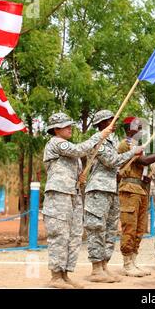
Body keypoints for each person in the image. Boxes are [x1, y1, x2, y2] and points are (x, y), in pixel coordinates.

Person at [42, 112, 111, 289]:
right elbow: (78, 150)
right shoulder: (56, 142)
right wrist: (99, 136)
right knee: (59, 235)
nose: (69, 128)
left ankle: (64, 275)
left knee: (73, 236)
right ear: (56, 129)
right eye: (66, 126)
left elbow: (76, 159)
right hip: (58, 195)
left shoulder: (66, 146)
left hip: (72, 195)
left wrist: (80, 178)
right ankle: (56, 276)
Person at [83, 110, 142, 283]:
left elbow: (115, 165)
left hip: (111, 189)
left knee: (109, 230)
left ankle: (104, 266)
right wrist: (133, 152)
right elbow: (111, 160)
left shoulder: (113, 140)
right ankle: (96, 269)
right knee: (97, 228)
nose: (114, 123)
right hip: (98, 189)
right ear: (102, 123)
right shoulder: (98, 139)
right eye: (111, 120)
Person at [117, 117, 155, 277]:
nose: (140, 129)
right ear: (128, 128)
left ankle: (133, 261)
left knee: (140, 228)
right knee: (130, 226)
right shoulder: (126, 144)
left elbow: (142, 165)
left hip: (140, 188)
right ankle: (127, 263)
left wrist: (146, 178)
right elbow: (142, 161)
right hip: (129, 189)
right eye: (137, 126)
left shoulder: (137, 146)